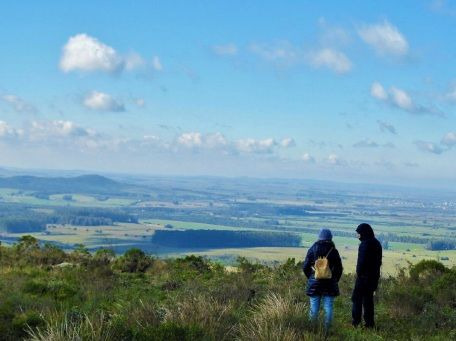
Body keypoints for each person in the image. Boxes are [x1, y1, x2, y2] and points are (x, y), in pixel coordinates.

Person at [303, 228, 343, 330]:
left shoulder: (312, 248)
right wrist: (334, 279)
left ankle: (312, 329)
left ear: (319, 237)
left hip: (314, 283)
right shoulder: (333, 251)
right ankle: (326, 331)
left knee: (313, 308)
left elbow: (305, 267)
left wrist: (312, 277)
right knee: (328, 307)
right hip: (330, 284)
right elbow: (339, 268)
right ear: (330, 238)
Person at [352, 223, 382, 328]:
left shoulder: (365, 244)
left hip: (364, 278)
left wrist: (359, 273)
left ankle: (356, 322)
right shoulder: (377, 243)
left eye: (358, 233)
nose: (357, 235)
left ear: (363, 233)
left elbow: (361, 262)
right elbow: (378, 262)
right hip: (374, 277)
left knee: (356, 299)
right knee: (368, 300)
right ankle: (369, 324)